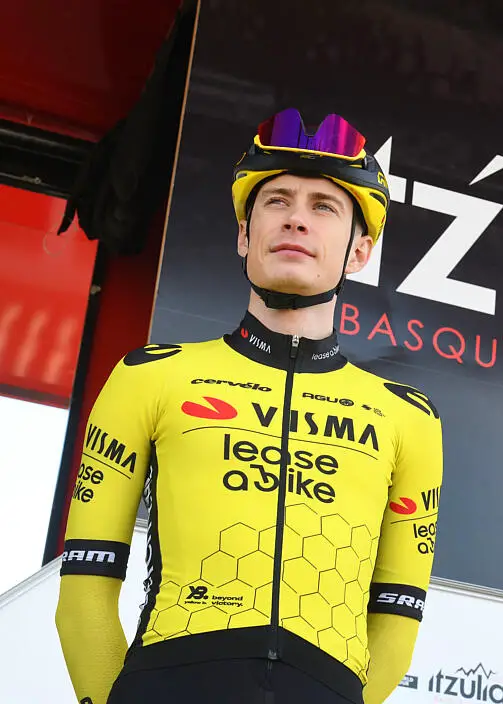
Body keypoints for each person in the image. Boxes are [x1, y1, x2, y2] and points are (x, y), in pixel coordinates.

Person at [55, 108, 444, 704]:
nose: (296, 218)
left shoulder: (409, 418)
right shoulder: (149, 377)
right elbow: (84, 591)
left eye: (324, 206)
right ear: (244, 235)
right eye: (277, 200)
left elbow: (396, 622)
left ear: (359, 252)